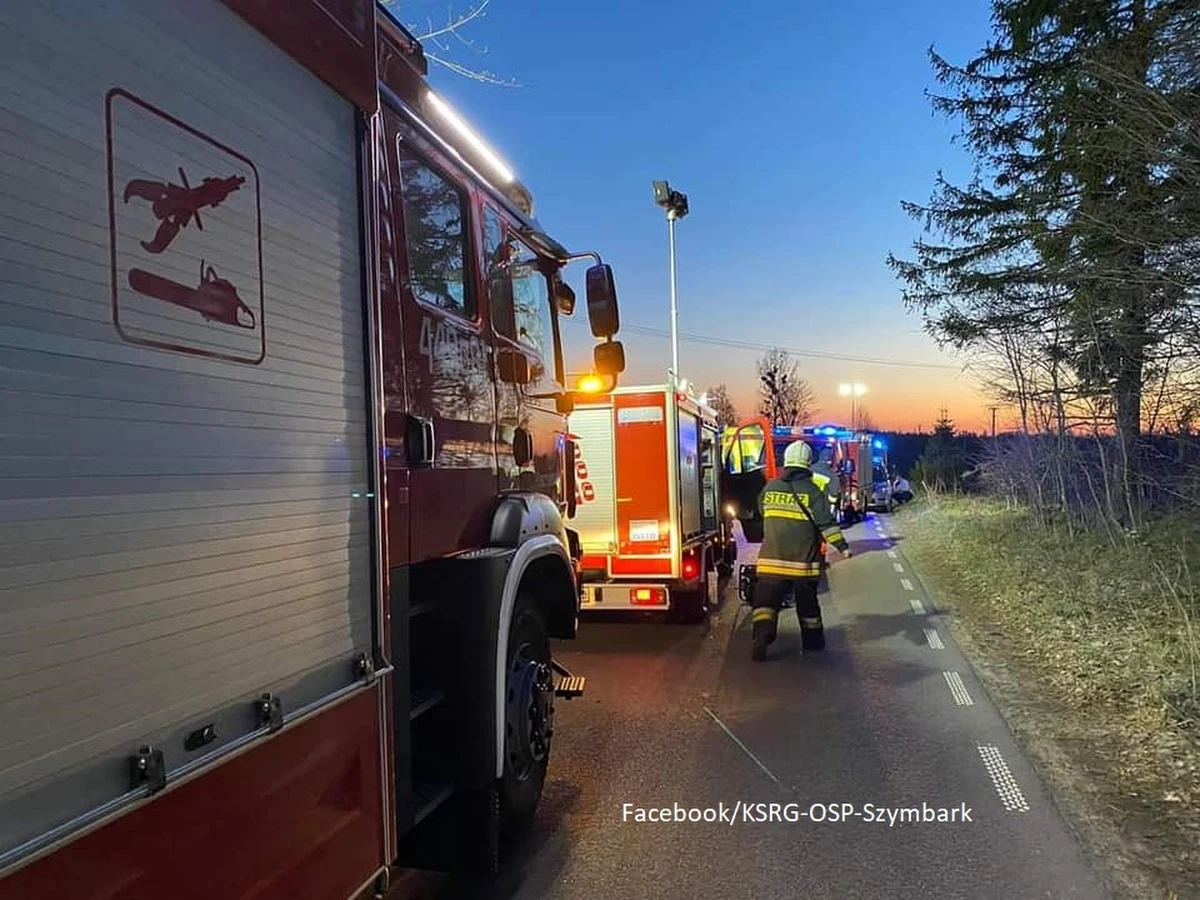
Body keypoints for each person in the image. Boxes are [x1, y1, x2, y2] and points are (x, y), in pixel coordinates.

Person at [750, 440, 852, 661]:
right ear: (807, 464)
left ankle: (762, 634)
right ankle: (812, 642)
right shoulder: (813, 492)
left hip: (770, 562)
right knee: (807, 604)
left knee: (765, 600)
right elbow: (827, 524)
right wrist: (842, 547)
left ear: (786, 462)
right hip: (802, 565)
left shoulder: (770, 488)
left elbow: (760, 511)